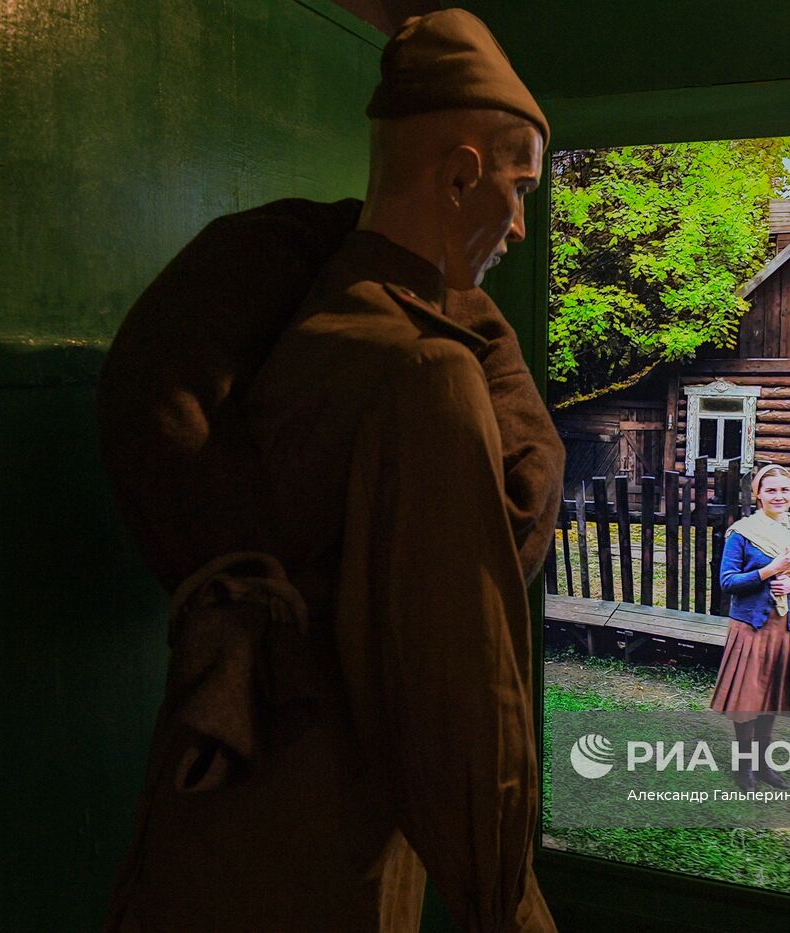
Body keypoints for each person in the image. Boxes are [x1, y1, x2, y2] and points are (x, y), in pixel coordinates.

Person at [97, 9, 563, 932]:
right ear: (462, 172)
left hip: (221, 810)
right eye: (518, 188)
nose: (516, 225)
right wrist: (509, 906)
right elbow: (461, 699)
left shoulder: (319, 328)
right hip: (315, 834)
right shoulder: (428, 374)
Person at [709, 463, 790, 792]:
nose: (778, 496)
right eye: (770, 490)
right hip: (750, 626)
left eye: (784, 490)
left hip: (786, 629)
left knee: (772, 698)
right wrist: (768, 571)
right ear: (758, 495)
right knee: (748, 699)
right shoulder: (743, 533)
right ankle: (743, 768)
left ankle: (762, 764)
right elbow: (727, 582)